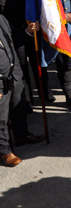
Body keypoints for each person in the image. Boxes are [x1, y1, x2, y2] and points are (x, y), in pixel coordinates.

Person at [0, 14, 37, 166]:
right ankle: (4, 151)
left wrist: (28, 31)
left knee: (19, 105)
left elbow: (13, 40)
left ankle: (21, 135)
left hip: (13, 73)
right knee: (1, 116)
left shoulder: (2, 18)